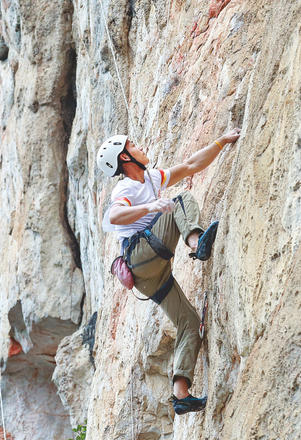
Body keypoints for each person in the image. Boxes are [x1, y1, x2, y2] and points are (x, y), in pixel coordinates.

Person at [98, 128, 241, 416]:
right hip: (141, 255)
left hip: (147, 275)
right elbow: (114, 216)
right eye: (133, 146)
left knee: (189, 322)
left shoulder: (150, 178)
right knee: (179, 201)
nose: (140, 147)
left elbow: (190, 165)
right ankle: (196, 242)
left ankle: (181, 394)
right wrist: (151, 206)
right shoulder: (125, 188)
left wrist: (221, 141)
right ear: (125, 157)